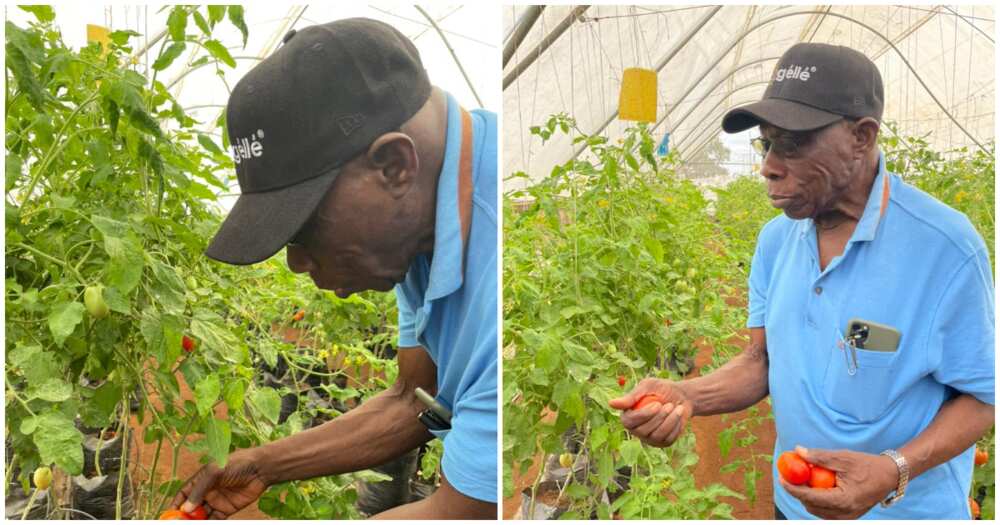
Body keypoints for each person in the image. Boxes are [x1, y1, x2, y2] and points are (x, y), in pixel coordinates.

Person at [610, 43, 994, 520]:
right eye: (767, 143)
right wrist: (687, 396)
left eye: (792, 143)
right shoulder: (776, 241)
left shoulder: (946, 248)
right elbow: (761, 360)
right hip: (794, 502)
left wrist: (892, 469)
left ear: (862, 136)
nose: (769, 165)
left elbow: (983, 398)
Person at [169, 18, 497, 519]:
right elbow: (415, 399)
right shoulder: (416, 230)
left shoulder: (496, 269)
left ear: (393, 164)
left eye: (303, 229)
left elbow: (461, 510)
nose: (296, 264)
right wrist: (264, 464)